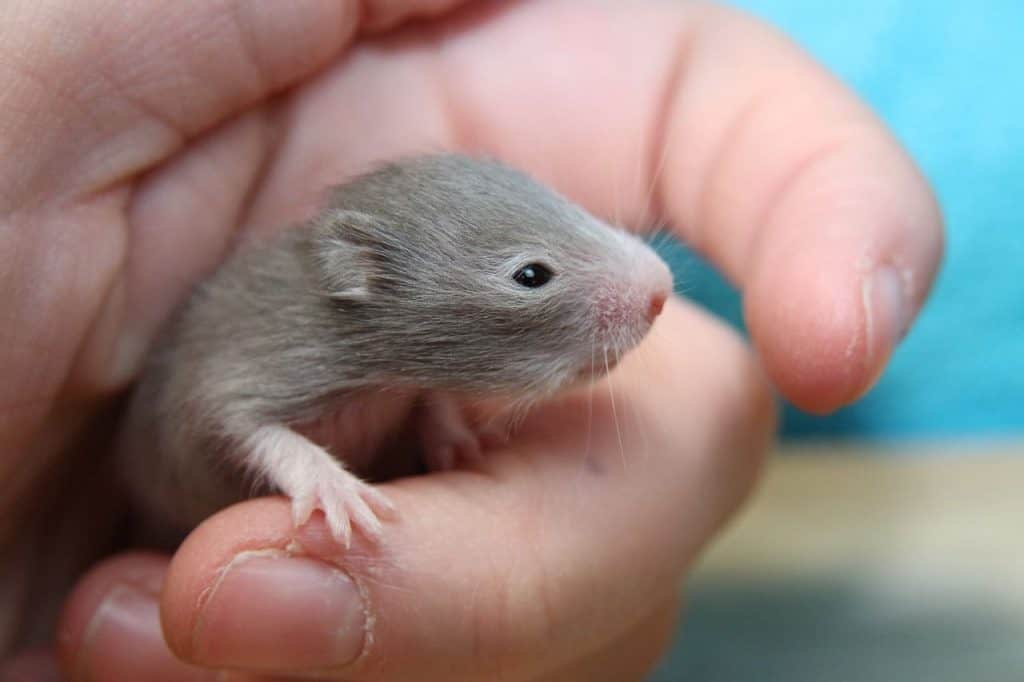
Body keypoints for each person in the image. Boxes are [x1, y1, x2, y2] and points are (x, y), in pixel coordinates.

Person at [0, 1, 942, 680]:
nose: (649, 282)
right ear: (361, 280)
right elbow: (222, 404)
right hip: (157, 513)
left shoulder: (399, 344)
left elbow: (413, 371)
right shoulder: (289, 322)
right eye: (535, 276)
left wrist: (442, 417)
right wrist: (304, 469)